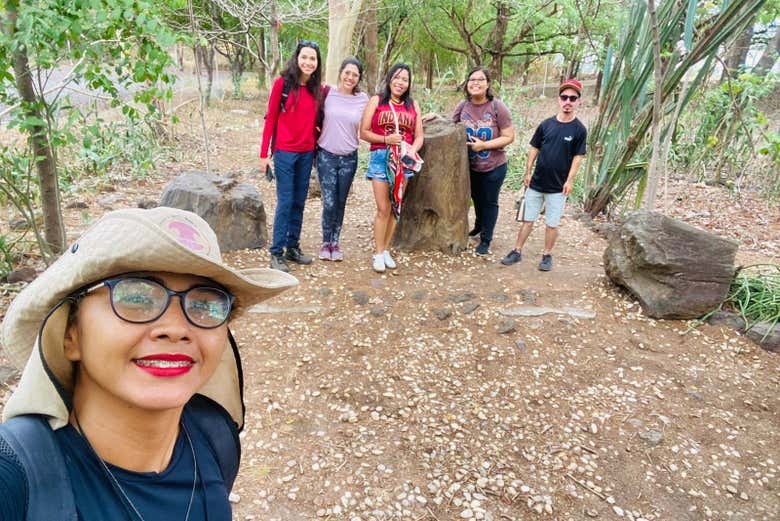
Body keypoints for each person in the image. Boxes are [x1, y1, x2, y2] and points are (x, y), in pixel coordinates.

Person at [0, 207, 297, 520]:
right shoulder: (14, 480)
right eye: (136, 298)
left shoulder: (214, 438)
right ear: (69, 334)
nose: (177, 329)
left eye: (204, 303)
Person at [501, 78, 587, 271]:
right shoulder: (546, 124)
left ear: (578, 101)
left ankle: (547, 255)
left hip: (558, 187)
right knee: (528, 219)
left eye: (572, 98)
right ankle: (517, 251)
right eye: (564, 97)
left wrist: (570, 180)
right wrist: (528, 171)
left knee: (552, 224)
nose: (568, 101)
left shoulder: (579, 129)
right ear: (558, 99)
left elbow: (578, 157)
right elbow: (534, 148)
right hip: (537, 183)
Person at [260, 40, 323, 273]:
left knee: (299, 201)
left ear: (317, 63)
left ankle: (292, 247)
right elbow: (271, 119)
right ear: (297, 58)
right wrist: (263, 154)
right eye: (304, 57)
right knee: (285, 202)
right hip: (284, 152)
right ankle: (276, 253)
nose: (308, 62)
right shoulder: (282, 84)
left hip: (307, 153)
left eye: (313, 58)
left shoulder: (317, 89)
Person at [359, 63, 424, 273]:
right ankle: (377, 253)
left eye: (405, 79)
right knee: (383, 208)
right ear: (389, 79)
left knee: (396, 207)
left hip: (403, 161)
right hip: (381, 157)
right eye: (397, 77)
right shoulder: (377, 100)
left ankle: (386, 249)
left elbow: (419, 135)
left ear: (409, 83)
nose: (400, 82)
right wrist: (386, 138)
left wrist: (412, 151)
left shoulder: (412, 105)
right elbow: (364, 132)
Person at [452, 66, 515, 256]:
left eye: (480, 80)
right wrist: (433, 117)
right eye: (472, 80)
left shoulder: (497, 107)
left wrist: (484, 146)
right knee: (476, 199)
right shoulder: (463, 106)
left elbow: (509, 136)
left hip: (494, 166)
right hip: (470, 166)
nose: (475, 83)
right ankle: (478, 226)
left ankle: (486, 239)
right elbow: (450, 126)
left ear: (488, 84)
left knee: (489, 202)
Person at [316, 57, 370, 261]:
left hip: (349, 157)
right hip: (326, 156)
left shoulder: (363, 99)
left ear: (359, 78)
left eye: (355, 74)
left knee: (340, 202)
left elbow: (377, 118)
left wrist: (419, 117)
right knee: (329, 202)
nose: (350, 77)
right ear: (340, 72)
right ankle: (325, 242)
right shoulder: (327, 93)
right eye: (347, 72)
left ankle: (335, 242)